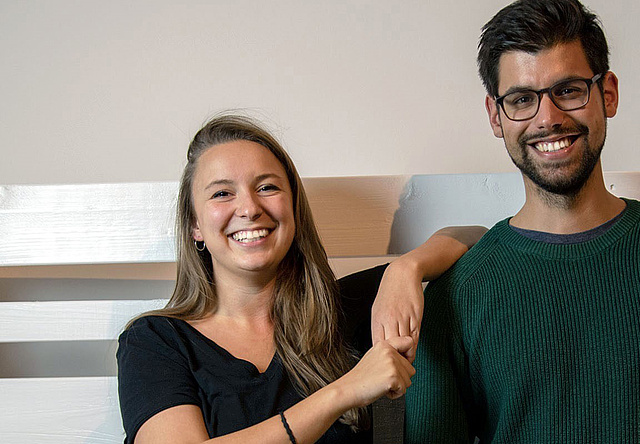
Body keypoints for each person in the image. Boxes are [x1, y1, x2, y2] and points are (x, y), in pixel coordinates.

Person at [405, 0, 640, 442]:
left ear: (608, 94)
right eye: (522, 99)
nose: (548, 119)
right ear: (496, 116)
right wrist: (404, 268)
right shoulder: (458, 294)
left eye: (568, 90)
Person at [116, 114, 485, 444]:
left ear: (293, 206)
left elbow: (475, 237)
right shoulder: (156, 343)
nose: (249, 208)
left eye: (267, 187)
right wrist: (344, 391)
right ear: (195, 224)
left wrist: (405, 268)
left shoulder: (345, 309)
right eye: (222, 193)